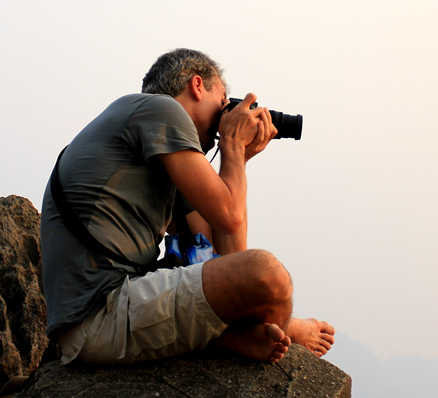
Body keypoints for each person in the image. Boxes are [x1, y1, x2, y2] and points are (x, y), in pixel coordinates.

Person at [40, 48, 335, 365]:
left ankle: (228, 338)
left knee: (257, 276)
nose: (225, 116)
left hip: (106, 315)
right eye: (223, 103)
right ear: (198, 85)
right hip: (100, 314)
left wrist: (239, 159)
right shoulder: (160, 109)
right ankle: (276, 331)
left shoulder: (165, 160)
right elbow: (231, 221)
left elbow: (228, 258)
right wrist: (232, 148)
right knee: (269, 275)